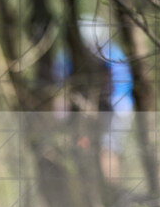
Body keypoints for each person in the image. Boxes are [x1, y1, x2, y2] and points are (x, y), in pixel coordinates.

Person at [53, 15, 135, 177]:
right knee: (82, 146)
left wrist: (117, 105)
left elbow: (122, 85)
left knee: (108, 148)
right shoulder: (68, 56)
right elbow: (59, 81)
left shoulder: (112, 53)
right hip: (83, 110)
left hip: (113, 108)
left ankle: (110, 187)